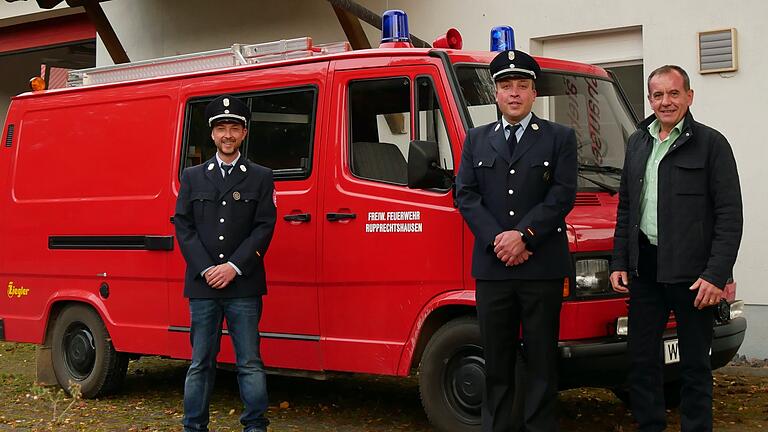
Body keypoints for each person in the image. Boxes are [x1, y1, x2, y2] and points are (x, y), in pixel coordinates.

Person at [609, 65, 743, 432]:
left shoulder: (711, 144)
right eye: (657, 95)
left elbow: (730, 215)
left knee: (696, 365)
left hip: (694, 276)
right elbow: (626, 207)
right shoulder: (638, 142)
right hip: (645, 269)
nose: (665, 102)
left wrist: (716, 275)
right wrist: (620, 259)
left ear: (688, 97)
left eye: (673, 94)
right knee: (641, 361)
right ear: (650, 99)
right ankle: (650, 425)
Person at [456, 49, 577, 431]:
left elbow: (562, 194)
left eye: (521, 86)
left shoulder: (559, 137)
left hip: (540, 266)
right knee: (497, 362)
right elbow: (466, 195)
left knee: (542, 360)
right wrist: (499, 240)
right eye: (506, 86)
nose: (514, 93)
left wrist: (524, 237)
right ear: (495, 93)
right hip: (494, 269)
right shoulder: (476, 140)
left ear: (533, 93)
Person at [175, 94, 277, 432]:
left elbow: (264, 226)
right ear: (212, 134)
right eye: (222, 128)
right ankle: (194, 426)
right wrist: (207, 268)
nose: (228, 135)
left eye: (234, 128)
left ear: (244, 134)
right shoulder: (192, 177)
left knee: (249, 362)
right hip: (203, 285)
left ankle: (255, 426)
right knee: (200, 363)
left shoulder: (261, 177)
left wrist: (233, 267)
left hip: (243, 284)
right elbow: (184, 226)